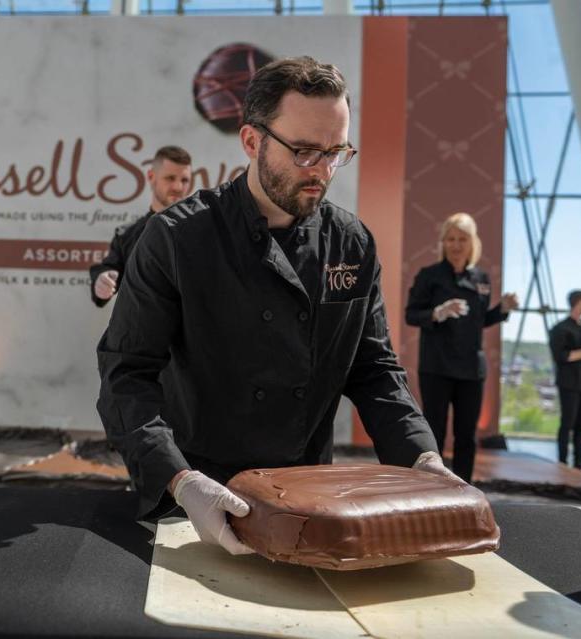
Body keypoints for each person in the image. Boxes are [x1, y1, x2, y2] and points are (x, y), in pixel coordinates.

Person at [97, 57, 452, 556]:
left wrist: (422, 458)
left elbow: (373, 369)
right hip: (199, 494)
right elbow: (125, 375)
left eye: (336, 152)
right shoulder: (178, 239)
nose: (323, 171)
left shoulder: (351, 244)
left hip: (309, 497)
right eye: (305, 151)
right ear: (251, 141)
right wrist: (177, 480)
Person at [404, 213, 518, 483]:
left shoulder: (481, 278)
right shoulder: (429, 276)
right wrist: (437, 313)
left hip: (471, 368)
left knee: (466, 434)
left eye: (462, 239)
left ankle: (464, 487)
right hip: (437, 366)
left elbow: (480, 321)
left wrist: (501, 309)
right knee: (435, 430)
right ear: (443, 242)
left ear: (472, 243)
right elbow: (412, 314)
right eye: (451, 239)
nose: (456, 245)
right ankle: (430, 485)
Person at [89, 146, 193, 307]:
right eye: (170, 178)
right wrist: (102, 280)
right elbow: (109, 270)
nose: (178, 187)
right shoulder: (127, 234)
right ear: (151, 176)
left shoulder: (202, 230)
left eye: (184, 180)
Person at [549, 289, 581, 472]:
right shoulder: (560, 329)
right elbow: (561, 356)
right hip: (569, 382)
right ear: (579, 302)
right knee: (568, 422)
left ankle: (579, 462)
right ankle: (562, 461)